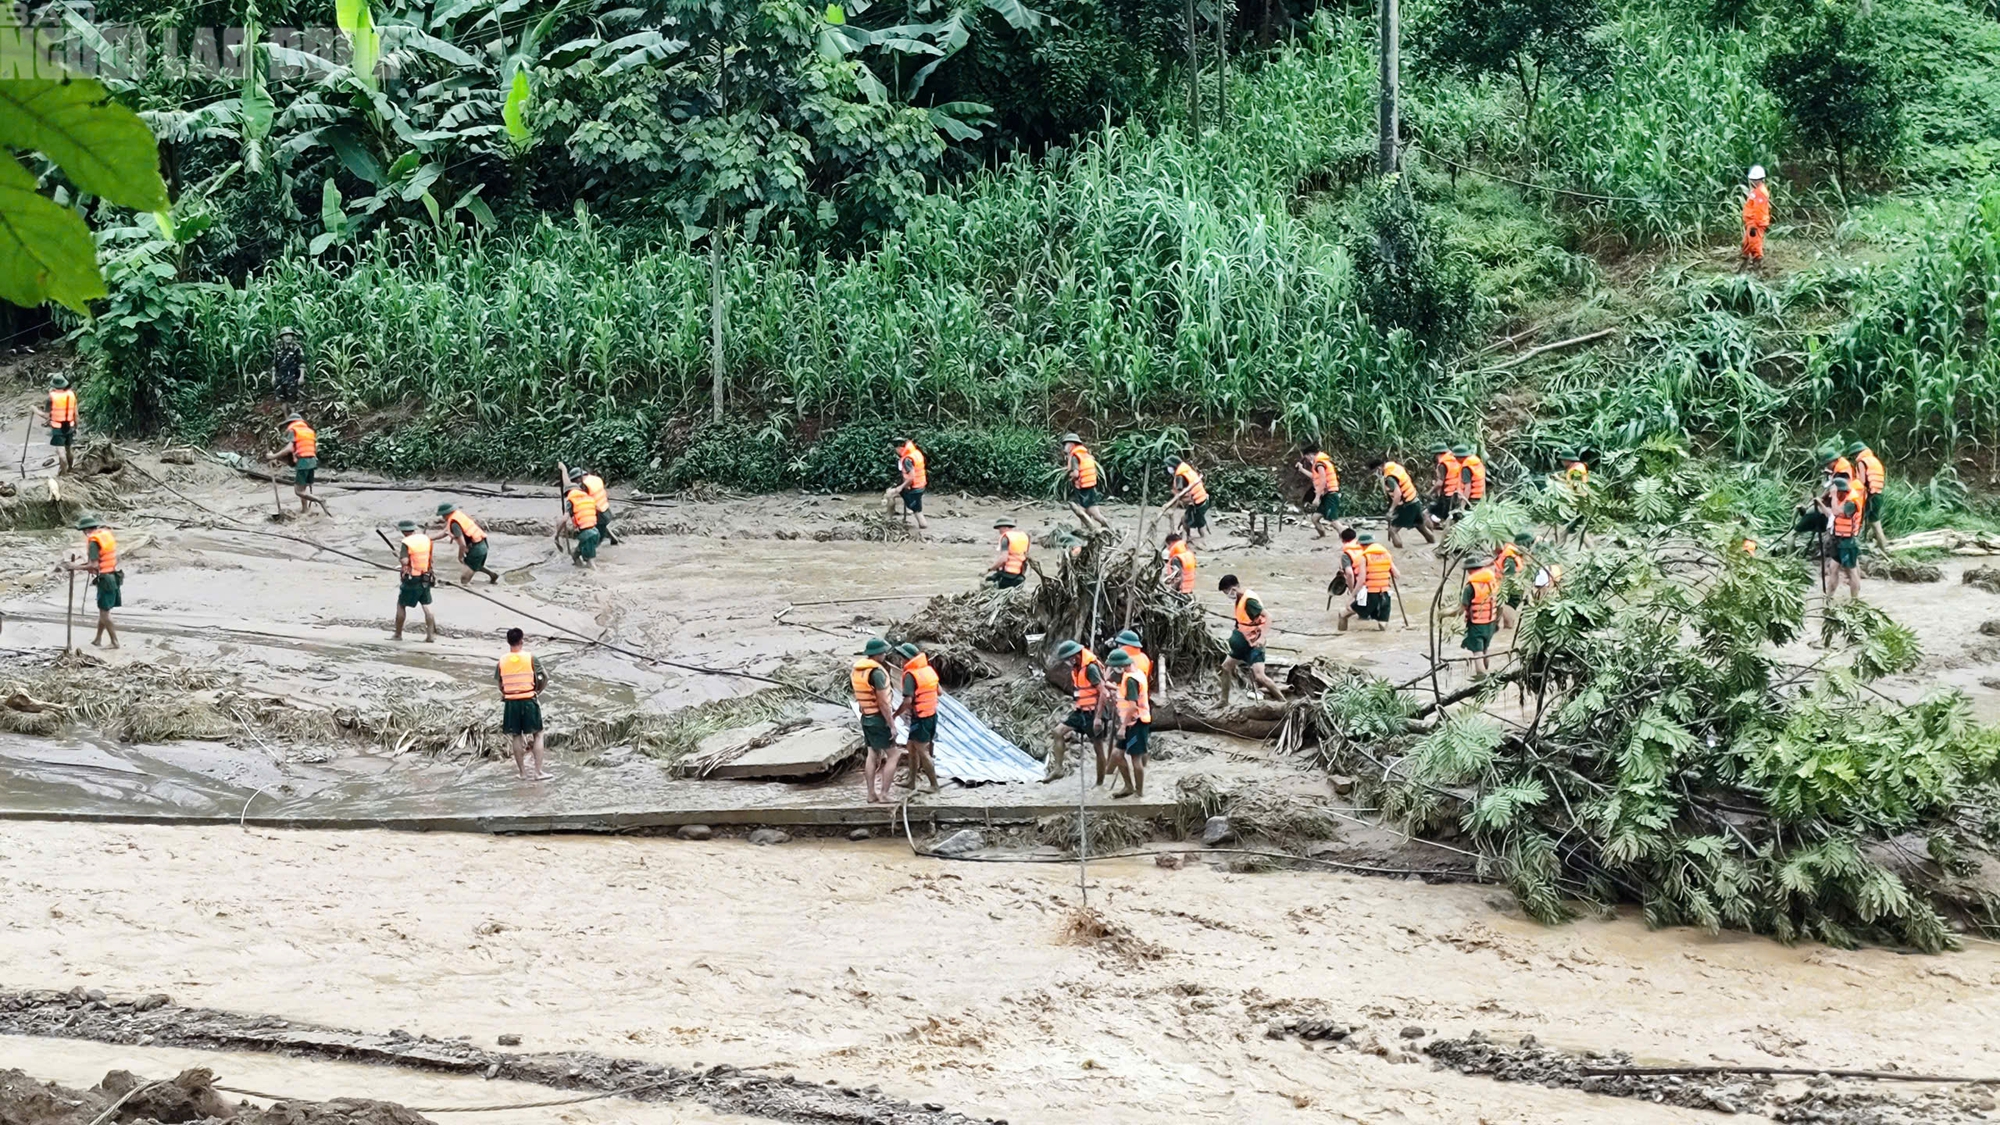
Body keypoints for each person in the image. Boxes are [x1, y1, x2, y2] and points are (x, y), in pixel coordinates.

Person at [1217, 574, 1285, 706]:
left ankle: (1283, 702)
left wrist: (1262, 637)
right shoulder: (1240, 598)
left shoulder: (1249, 601)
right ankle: (1223, 701)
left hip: (1254, 644)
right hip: (1243, 644)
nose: (1227, 596)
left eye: (1226, 592)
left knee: (1260, 676)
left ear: (1233, 589)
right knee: (1225, 667)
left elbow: (1268, 617)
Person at [1050, 640, 1109, 784]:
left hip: (1094, 712)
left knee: (1098, 748)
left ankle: (1100, 783)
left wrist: (1098, 718)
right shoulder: (1077, 667)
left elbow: (1104, 693)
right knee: (1058, 731)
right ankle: (1058, 769)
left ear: (1075, 655)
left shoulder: (1090, 668)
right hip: (1081, 711)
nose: (1067, 662)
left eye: (1068, 658)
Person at [851, 638, 901, 803]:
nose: (885, 654)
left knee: (872, 754)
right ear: (877, 654)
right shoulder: (877, 673)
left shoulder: (858, 670)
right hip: (879, 720)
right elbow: (883, 703)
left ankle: (871, 793)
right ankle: (885, 794)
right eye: (883, 652)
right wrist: (892, 725)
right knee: (894, 754)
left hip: (866, 717)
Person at [496, 627, 550, 781]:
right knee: (538, 734)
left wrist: (506, 693)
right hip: (528, 700)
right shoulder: (531, 658)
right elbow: (545, 676)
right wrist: (538, 690)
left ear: (508, 642)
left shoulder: (502, 661)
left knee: (516, 736)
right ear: (522, 641)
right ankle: (538, 772)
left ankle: (522, 773)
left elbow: (500, 683)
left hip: (511, 702)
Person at [68, 513, 120, 648]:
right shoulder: (105, 535)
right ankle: (98, 639)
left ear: (86, 530)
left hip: (105, 579)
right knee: (104, 610)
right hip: (113, 575)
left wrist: (75, 567)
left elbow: (94, 565)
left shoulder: (93, 542)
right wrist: (88, 565)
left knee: (104, 613)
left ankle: (115, 642)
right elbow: (100, 560)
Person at [1105, 648, 1151, 799]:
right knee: (1117, 754)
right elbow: (1126, 694)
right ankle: (1128, 786)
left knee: (1135, 759)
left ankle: (1139, 791)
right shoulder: (1134, 673)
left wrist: (1123, 727)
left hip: (1135, 723)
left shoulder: (1131, 680)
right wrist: (1113, 688)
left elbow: (1132, 705)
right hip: (1132, 722)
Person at [1443, 557, 1501, 678]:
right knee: (1485, 650)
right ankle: (1489, 677)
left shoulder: (1470, 587)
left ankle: (1481, 679)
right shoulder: (1492, 581)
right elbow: (1500, 604)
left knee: (1477, 654)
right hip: (1491, 623)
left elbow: (1461, 609)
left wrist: (1444, 614)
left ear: (1469, 570)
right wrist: (1497, 621)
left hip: (1477, 624)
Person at [896, 643, 941, 795]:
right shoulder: (928, 670)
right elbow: (939, 691)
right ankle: (911, 781)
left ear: (906, 659)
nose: (900, 662)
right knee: (911, 746)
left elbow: (908, 701)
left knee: (922, 751)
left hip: (920, 718)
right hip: (931, 715)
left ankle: (934, 785)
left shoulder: (910, 675)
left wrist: (895, 714)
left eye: (901, 658)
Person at [268, 412, 329, 516]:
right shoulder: (309, 431)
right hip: (312, 460)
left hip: (303, 462)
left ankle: (319, 500)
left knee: (298, 491)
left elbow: (289, 448)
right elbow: (307, 446)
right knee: (303, 489)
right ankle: (305, 510)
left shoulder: (294, 430)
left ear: (291, 422)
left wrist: (273, 456)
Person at [1370, 458, 1433, 548]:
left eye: (1375, 471)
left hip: (1408, 506)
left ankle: (1399, 552)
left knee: (1392, 530)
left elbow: (1398, 495)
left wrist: (1391, 511)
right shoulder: (1395, 467)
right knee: (1421, 527)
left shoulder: (1390, 478)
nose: (1376, 474)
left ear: (1379, 468)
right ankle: (1434, 545)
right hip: (1415, 501)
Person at [1820, 474, 1865, 601]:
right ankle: (1828, 598)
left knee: (1851, 571)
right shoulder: (1841, 498)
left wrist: (1834, 495)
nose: (1830, 493)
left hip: (1847, 542)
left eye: (1833, 490)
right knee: (1833, 568)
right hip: (1838, 540)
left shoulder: (1851, 501)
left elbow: (1837, 512)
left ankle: (1855, 601)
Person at [393, 518, 437, 642]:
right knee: (427, 606)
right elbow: (430, 558)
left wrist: (399, 557)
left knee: (401, 605)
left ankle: (398, 635)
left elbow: (405, 561)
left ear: (403, 531)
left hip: (412, 578)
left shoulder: (406, 542)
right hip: (426, 576)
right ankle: (430, 636)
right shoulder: (425, 538)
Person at [436, 501, 500, 585]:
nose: (443, 517)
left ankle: (467, 592)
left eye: (443, 515)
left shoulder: (454, 524)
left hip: (477, 549)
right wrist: (427, 538)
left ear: (446, 514)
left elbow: (462, 544)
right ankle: (492, 575)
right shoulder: (458, 516)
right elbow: (443, 533)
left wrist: (460, 556)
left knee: (464, 579)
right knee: (474, 564)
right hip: (482, 544)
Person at [1060, 433, 1114, 533]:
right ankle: (1089, 530)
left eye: (1066, 444)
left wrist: (1068, 477)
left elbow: (1076, 474)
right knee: (1087, 511)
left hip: (1082, 489)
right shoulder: (1085, 454)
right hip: (1090, 486)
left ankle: (1107, 528)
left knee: (1087, 511)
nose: (1064, 447)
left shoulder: (1075, 457)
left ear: (1072, 444)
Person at [1846, 440, 1889, 551]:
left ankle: (1883, 546)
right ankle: (1882, 546)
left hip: (1870, 496)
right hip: (1878, 494)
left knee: (1866, 522)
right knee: (1874, 521)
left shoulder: (1862, 462)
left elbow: (1861, 482)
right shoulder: (1874, 461)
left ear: (1856, 453)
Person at [885, 437, 930, 539]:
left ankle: (888, 519)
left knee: (890, 494)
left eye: (895, 449)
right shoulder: (916, 453)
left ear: (900, 448)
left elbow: (911, 477)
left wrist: (900, 488)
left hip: (912, 488)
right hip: (920, 486)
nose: (895, 452)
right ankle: (923, 525)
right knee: (918, 512)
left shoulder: (907, 459)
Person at [33, 374, 78, 473]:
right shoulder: (71, 395)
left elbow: (46, 416)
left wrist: (35, 410)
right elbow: (76, 414)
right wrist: (76, 426)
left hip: (58, 428)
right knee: (69, 450)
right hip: (70, 426)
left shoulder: (51, 398)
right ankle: (70, 468)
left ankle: (64, 473)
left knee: (61, 454)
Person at [558, 464, 601, 567]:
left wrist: (556, 535)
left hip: (587, 534)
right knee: (575, 554)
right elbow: (598, 509)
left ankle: (595, 578)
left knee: (590, 562)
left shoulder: (571, 500)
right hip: (595, 532)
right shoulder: (587, 498)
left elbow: (564, 520)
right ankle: (581, 572)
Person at [1296, 445, 1341, 538]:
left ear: (1310, 455)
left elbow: (1323, 481)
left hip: (1330, 494)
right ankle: (1323, 536)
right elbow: (1315, 477)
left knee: (1334, 521)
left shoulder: (1319, 463)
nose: (1307, 460)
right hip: (1326, 495)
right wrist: (1302, 470)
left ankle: (1347, 538)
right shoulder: (1320, 463)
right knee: (1315, 518)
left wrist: (1316, 498)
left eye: (1306, 458)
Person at [1493, 531, 1535, 630]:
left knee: (1495, 620)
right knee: (1509, 623)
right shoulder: (1510, 557)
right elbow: (1510, 577)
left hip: (1500, 589)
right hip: (1506, 592)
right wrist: (1516, 594)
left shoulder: (1514, 553)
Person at [1163, 456, 1211, 542]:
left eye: (1169, 466)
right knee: (1197, 521)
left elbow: (1180, 493)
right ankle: (1201, 538)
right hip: (1203, 499)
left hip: (1197, 503)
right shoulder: (1187, 470)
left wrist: (1171, 505)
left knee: (1185, 520)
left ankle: (1192, 538)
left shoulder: (1180, 476)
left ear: (1173, 466)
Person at [1334, 527, 1369, 632]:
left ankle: (1346, 621)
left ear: (1342, 540)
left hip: (1359, 582)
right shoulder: (1364, 548)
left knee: (1359, 606)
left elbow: (1349, 574)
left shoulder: (1346, 555)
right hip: (1373, 581)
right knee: (1366, 608)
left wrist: (1351, 590)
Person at [1359, 533, 1396, 630]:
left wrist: (1352, 595)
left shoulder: (1365, 557)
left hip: (1370, 593)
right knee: (1382, 623)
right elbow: (1397, 574)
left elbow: (1361, 579)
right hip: (1385, 593)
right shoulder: (1387, 555)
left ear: (1362, 545)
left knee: (1345, 612)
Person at [579, 468, 618, 546]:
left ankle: (592, 551)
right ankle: (613, 538)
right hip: (604, 505)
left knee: (598, 533)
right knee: (602, 526)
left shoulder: (584, 485)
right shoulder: (596, 479)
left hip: (597, 510)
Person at [987, 518, 1031, 587]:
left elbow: (1003, 558)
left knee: (988, 581)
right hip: (1020, 575)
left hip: (1007, 576)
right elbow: (1026, 555)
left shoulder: (1006, 538)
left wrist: (990, 569)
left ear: (1005, 527)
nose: (999, 531)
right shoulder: (1024, 537)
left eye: (1000, 528)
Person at [1741, 165, 1771, 268]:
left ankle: (1757, 266)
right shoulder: (1756, 190)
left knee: (1755, 245)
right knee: (1746, 243)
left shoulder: (1760, 193)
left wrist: (1754, 225)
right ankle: (1744, 263)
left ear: (1760, 180)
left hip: (1756, 223)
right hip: (1751, 223)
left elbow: (1758, 211)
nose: (1752, 182)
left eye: (1754, 180)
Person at [1428, 443, 1462, 528]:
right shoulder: (1455, 460)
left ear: (1438, 454)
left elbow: (1440, 482)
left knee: (1436, 513)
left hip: (1448, 493)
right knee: (1450, 515)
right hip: (1458, 491)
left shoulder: (1443, 464)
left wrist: (1430, 492)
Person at [1161, 530, 1198, 597]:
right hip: (1189, 588)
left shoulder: (1176, 559)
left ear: (1170, 543)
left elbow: (1178, 577)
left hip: (1180, 590)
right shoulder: (1188, 554)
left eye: (1167, 545)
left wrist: (1172, 592)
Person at [273, 327, 304, 401]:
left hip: (292, 378)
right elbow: (274, 364)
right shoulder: (278, 349)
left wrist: (301, 377)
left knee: (292, 401)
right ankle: (286, 413)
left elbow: (301, 364)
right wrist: (273, 377)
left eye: (290, 335)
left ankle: (293, 413)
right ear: (282, 337)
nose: (288, 337)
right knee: (281, 400)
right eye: (286, 335)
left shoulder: (297, 349)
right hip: (280, 378)